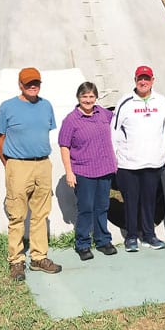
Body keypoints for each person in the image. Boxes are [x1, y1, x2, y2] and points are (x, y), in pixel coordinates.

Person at [0, 67, 62, 280]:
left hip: (42, 164)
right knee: (17, 215)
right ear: (20, 85)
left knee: (41, 214)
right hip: (18, 165)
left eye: (36, 83)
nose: (33, 86)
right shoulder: (7, 107)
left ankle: (39, 256)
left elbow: (43, 132)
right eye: (28, 83)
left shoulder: (46, 106)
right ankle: (16, 261)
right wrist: (10, 164)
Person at [111, 65, 165, 252]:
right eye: (139, 79)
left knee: (149, 200)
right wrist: (117, 154)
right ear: (135, 80)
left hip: (153, 162)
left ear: (153, 80)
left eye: (146, 78)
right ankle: (131, 236)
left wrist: (163, 153)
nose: (143, 82)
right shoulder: (125, 102)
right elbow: (114, 131)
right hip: (129, 163)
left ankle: (149, 235)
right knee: (130, 201)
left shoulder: (161, 102)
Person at [59, 82, 118, 261]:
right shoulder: (71, 119)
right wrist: (69, 171)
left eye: (91, 96)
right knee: (85, 208)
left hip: (104, 168)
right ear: (78, 98)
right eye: (84, 96)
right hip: (84, 171)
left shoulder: (103, 114)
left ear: (96, 98)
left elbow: (121, 119)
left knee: (102, 207)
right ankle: (83, 244)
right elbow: (64, 146)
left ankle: (103, 240)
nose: (88, 100)